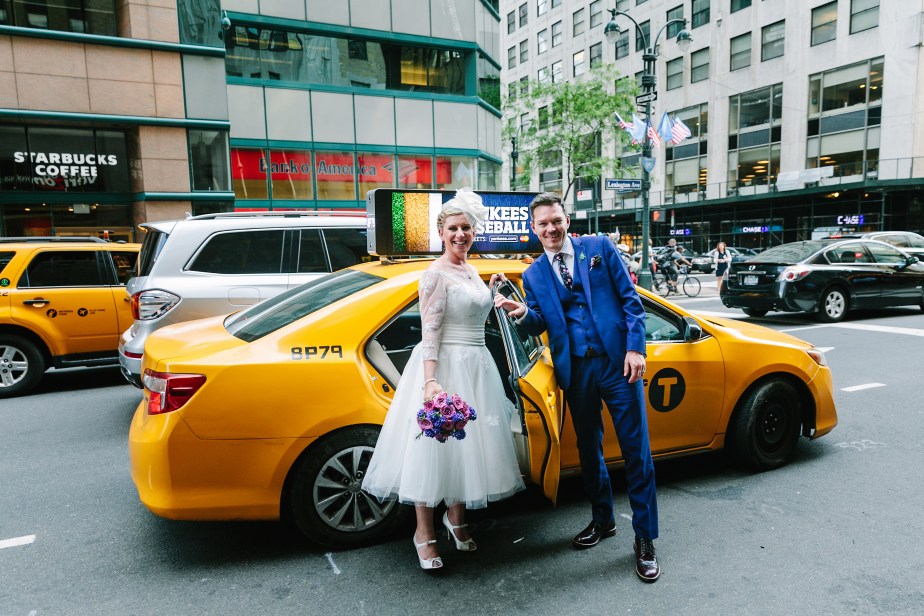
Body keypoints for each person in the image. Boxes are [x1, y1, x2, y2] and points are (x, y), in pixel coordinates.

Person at [493, 192, 661, 583]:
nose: (551, 229)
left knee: (636, 452)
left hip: (618, 364)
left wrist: (636, 349)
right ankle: (603, 520)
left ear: (567, 220)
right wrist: (522, 313)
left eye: (556, 220)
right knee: (589, 450)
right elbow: (543, 320)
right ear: (533, 230)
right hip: (577, 370)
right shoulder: (533, 273)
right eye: (543, 224)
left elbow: (631, 302)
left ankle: (645, 539)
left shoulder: (599, 247)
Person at [362, 188, 525, 571]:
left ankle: (456, 520)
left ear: (473, 232)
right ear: (441, 231)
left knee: (465, 449)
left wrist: (493, 291)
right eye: (453, 228)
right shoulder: (434, 274)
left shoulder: (470, 269)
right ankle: (424, 533)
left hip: (477, 366)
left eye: (466, 228)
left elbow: (472, 311)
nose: (460, 234)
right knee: (432, 449)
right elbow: (430, 331)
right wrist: (429, 383)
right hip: (445, 367)